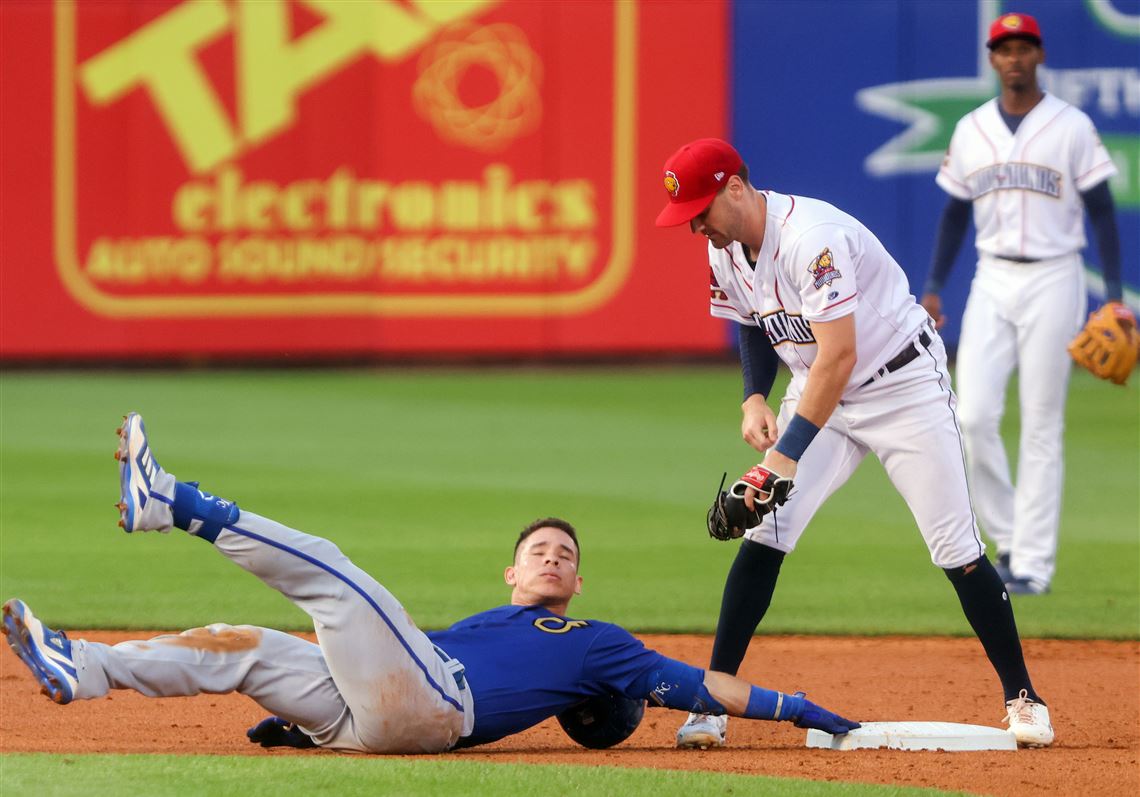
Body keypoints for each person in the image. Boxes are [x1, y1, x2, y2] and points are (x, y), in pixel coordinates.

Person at [2, 412, 859, 754]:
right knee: (243, 646)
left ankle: (171, 502)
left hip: (434, 705)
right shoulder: (492, 619)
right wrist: (306, 729)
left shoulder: (599, 647)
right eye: (541, 549)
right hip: (374, 712)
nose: (554, 557)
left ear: (578, 579)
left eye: (565, 552)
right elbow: (386, 671)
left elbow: (694, 684)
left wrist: (799, 708)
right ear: (512, 572)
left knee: (334, 573)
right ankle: (87, 668)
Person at [655, 137, 1054, 750]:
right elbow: (753, 326)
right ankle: (715, 700)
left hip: (902, 387)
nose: (697, 227)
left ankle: (1023, 696)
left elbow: (840, 356)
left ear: (735, 186)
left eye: (702, 211)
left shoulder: (810, 237)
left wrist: (782, 459)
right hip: (820, 392)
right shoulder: (726, 249)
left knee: (956, 548)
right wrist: (754, 398)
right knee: (765, 533)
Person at [920, 11, 1129, 596]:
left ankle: (1033, 563)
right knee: (972, 416)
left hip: (1056, 277)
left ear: (1038, 55)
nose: (1013, 57)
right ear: (992, 59)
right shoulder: (971, 130)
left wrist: (1114, 299)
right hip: (992, 277)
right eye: (1003, 48)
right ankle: (1009, 537)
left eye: (1023, 47)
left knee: (1042, 423)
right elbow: (956, 211)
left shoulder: (1071, 125)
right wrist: (934, 284)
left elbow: (1105, 211)